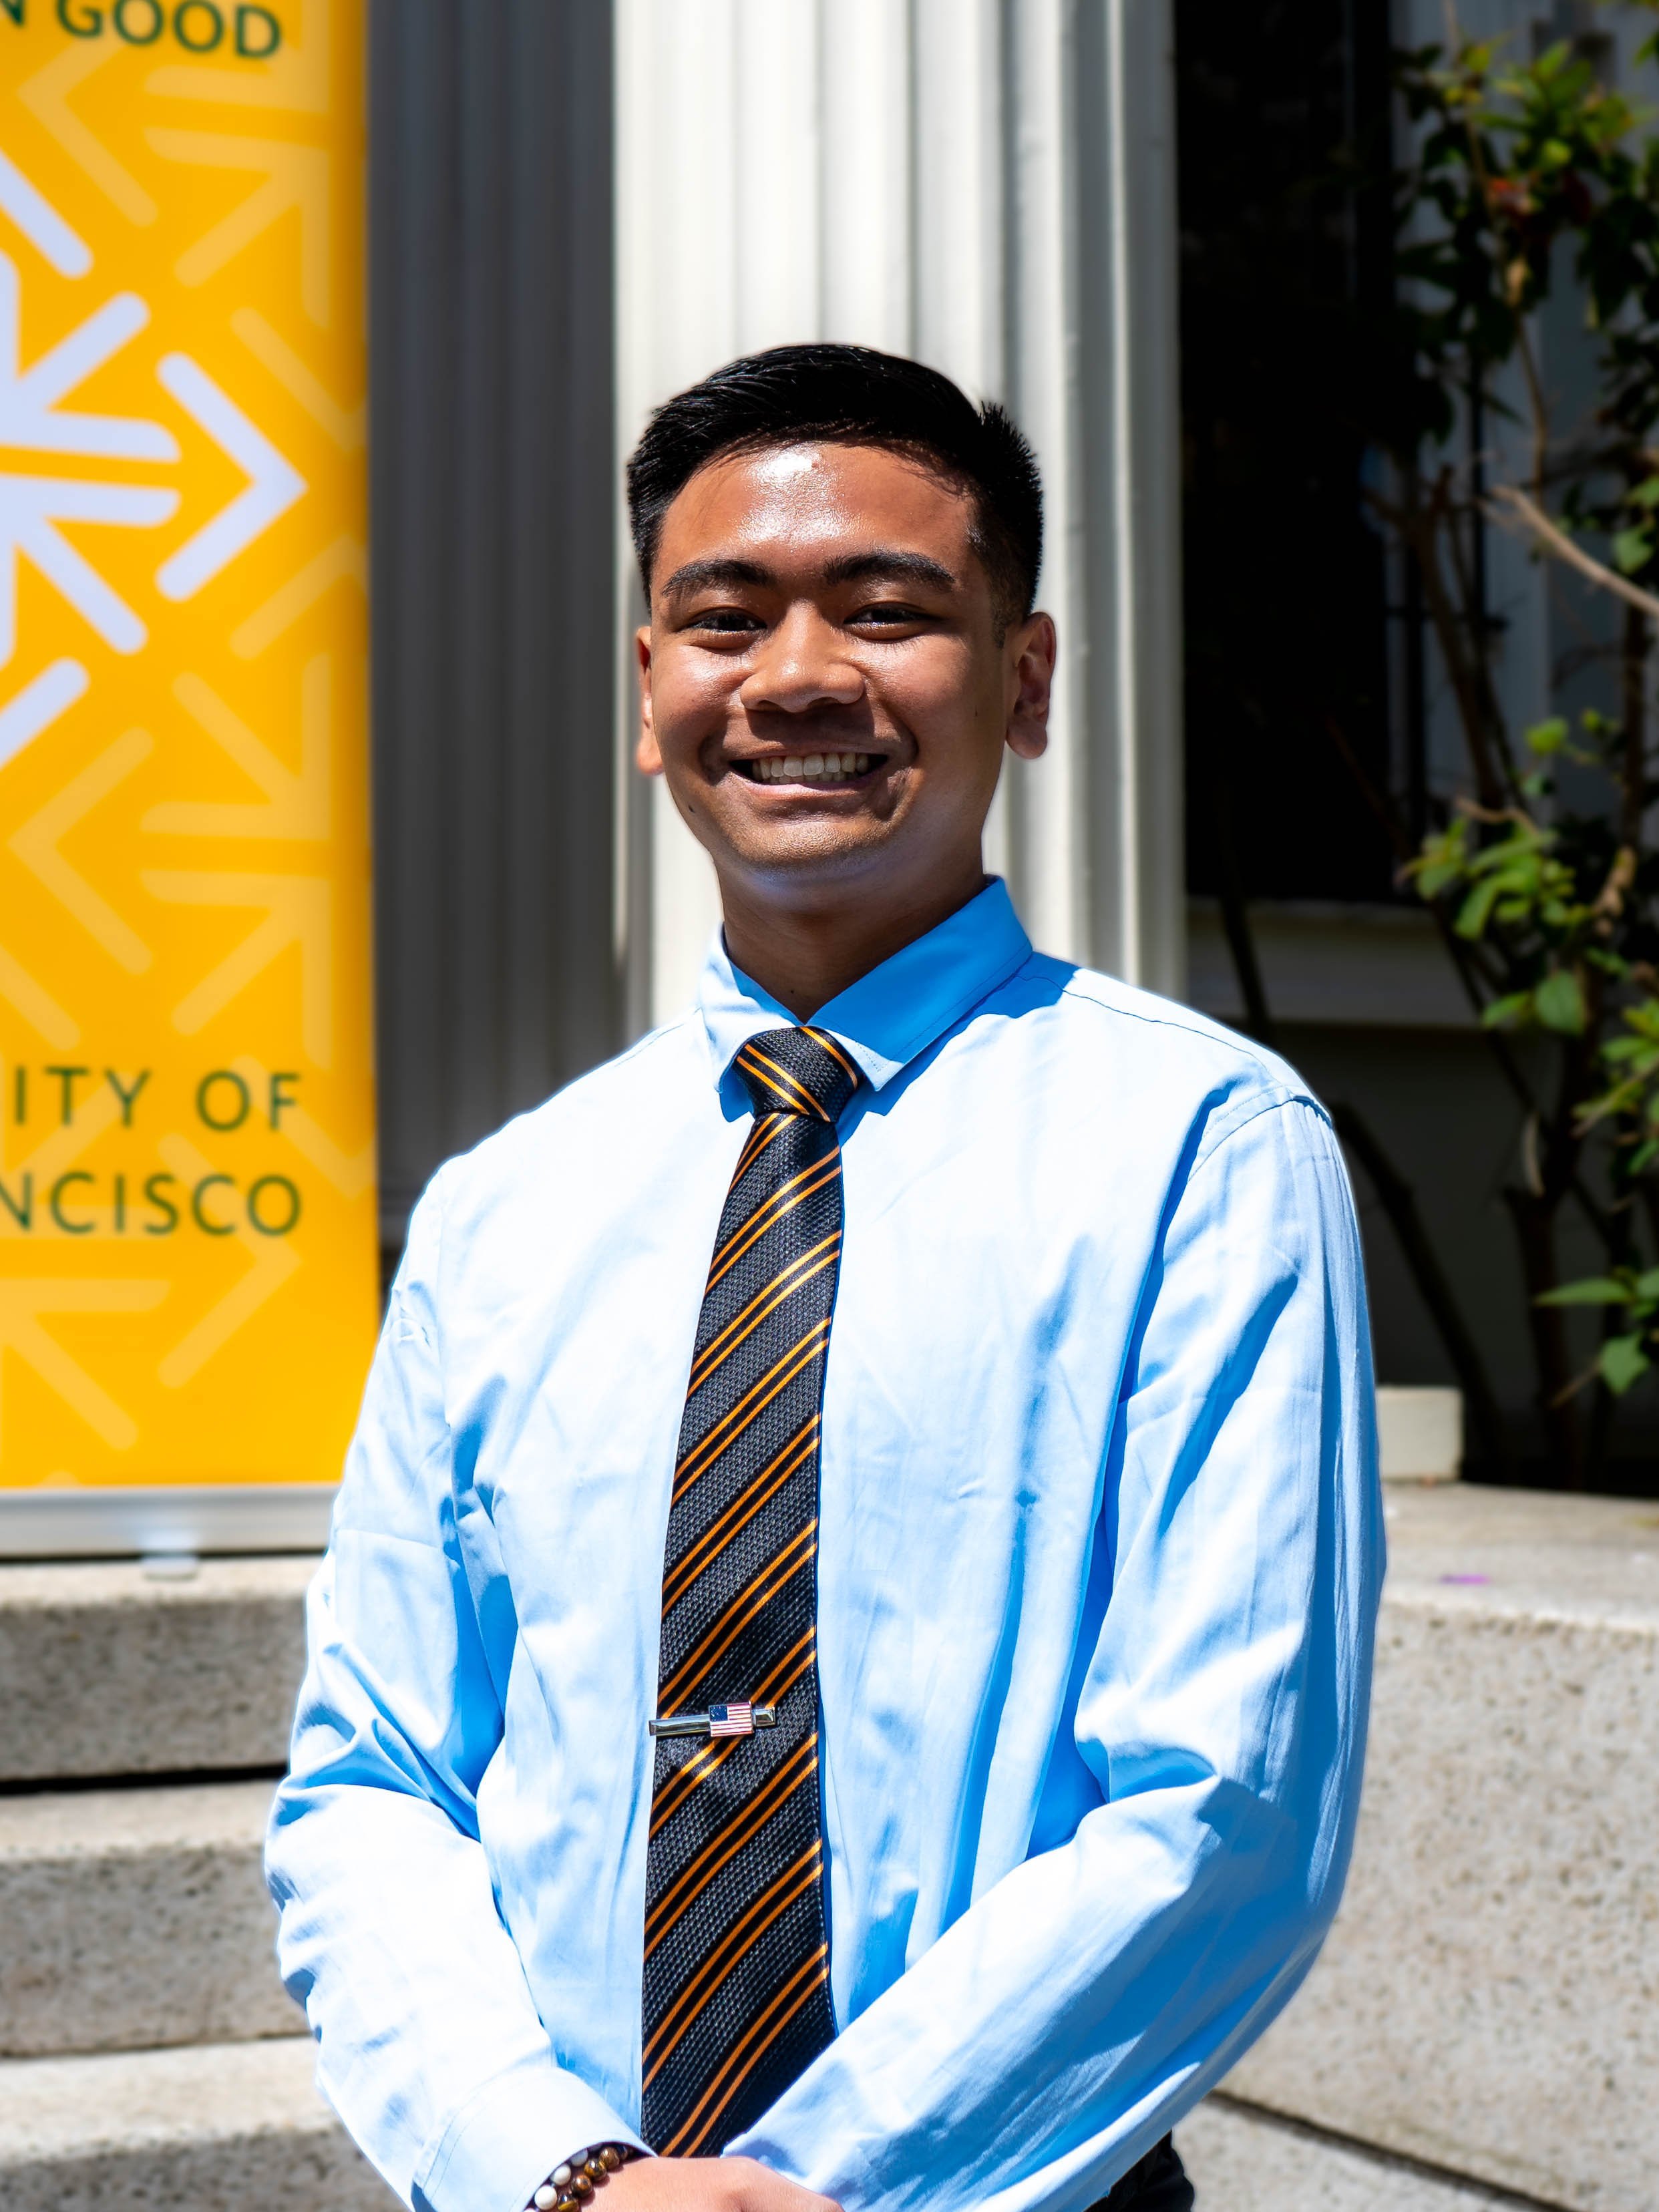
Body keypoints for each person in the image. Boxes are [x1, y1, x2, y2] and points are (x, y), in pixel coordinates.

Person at [267, 343, 1382, 2212]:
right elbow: (376, 1781)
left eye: (887, 612)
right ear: (648, 693)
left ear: (1018, 683)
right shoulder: (502, 1209)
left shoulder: (1201, 1148)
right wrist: (559, 2173)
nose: (796, 680)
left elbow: (1227, 1797)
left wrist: (822, 2184)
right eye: (723, 620)